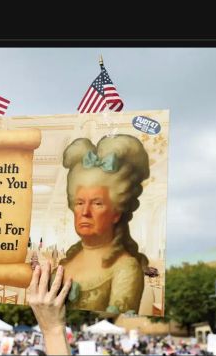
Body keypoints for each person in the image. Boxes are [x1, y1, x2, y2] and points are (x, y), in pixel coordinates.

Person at [60, 134, 150, 314]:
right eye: (79, 203)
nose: (85, 212)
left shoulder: (126, 268)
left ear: (116, 213)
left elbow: (116, 323)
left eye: (97, 203)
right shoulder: (67, 260)